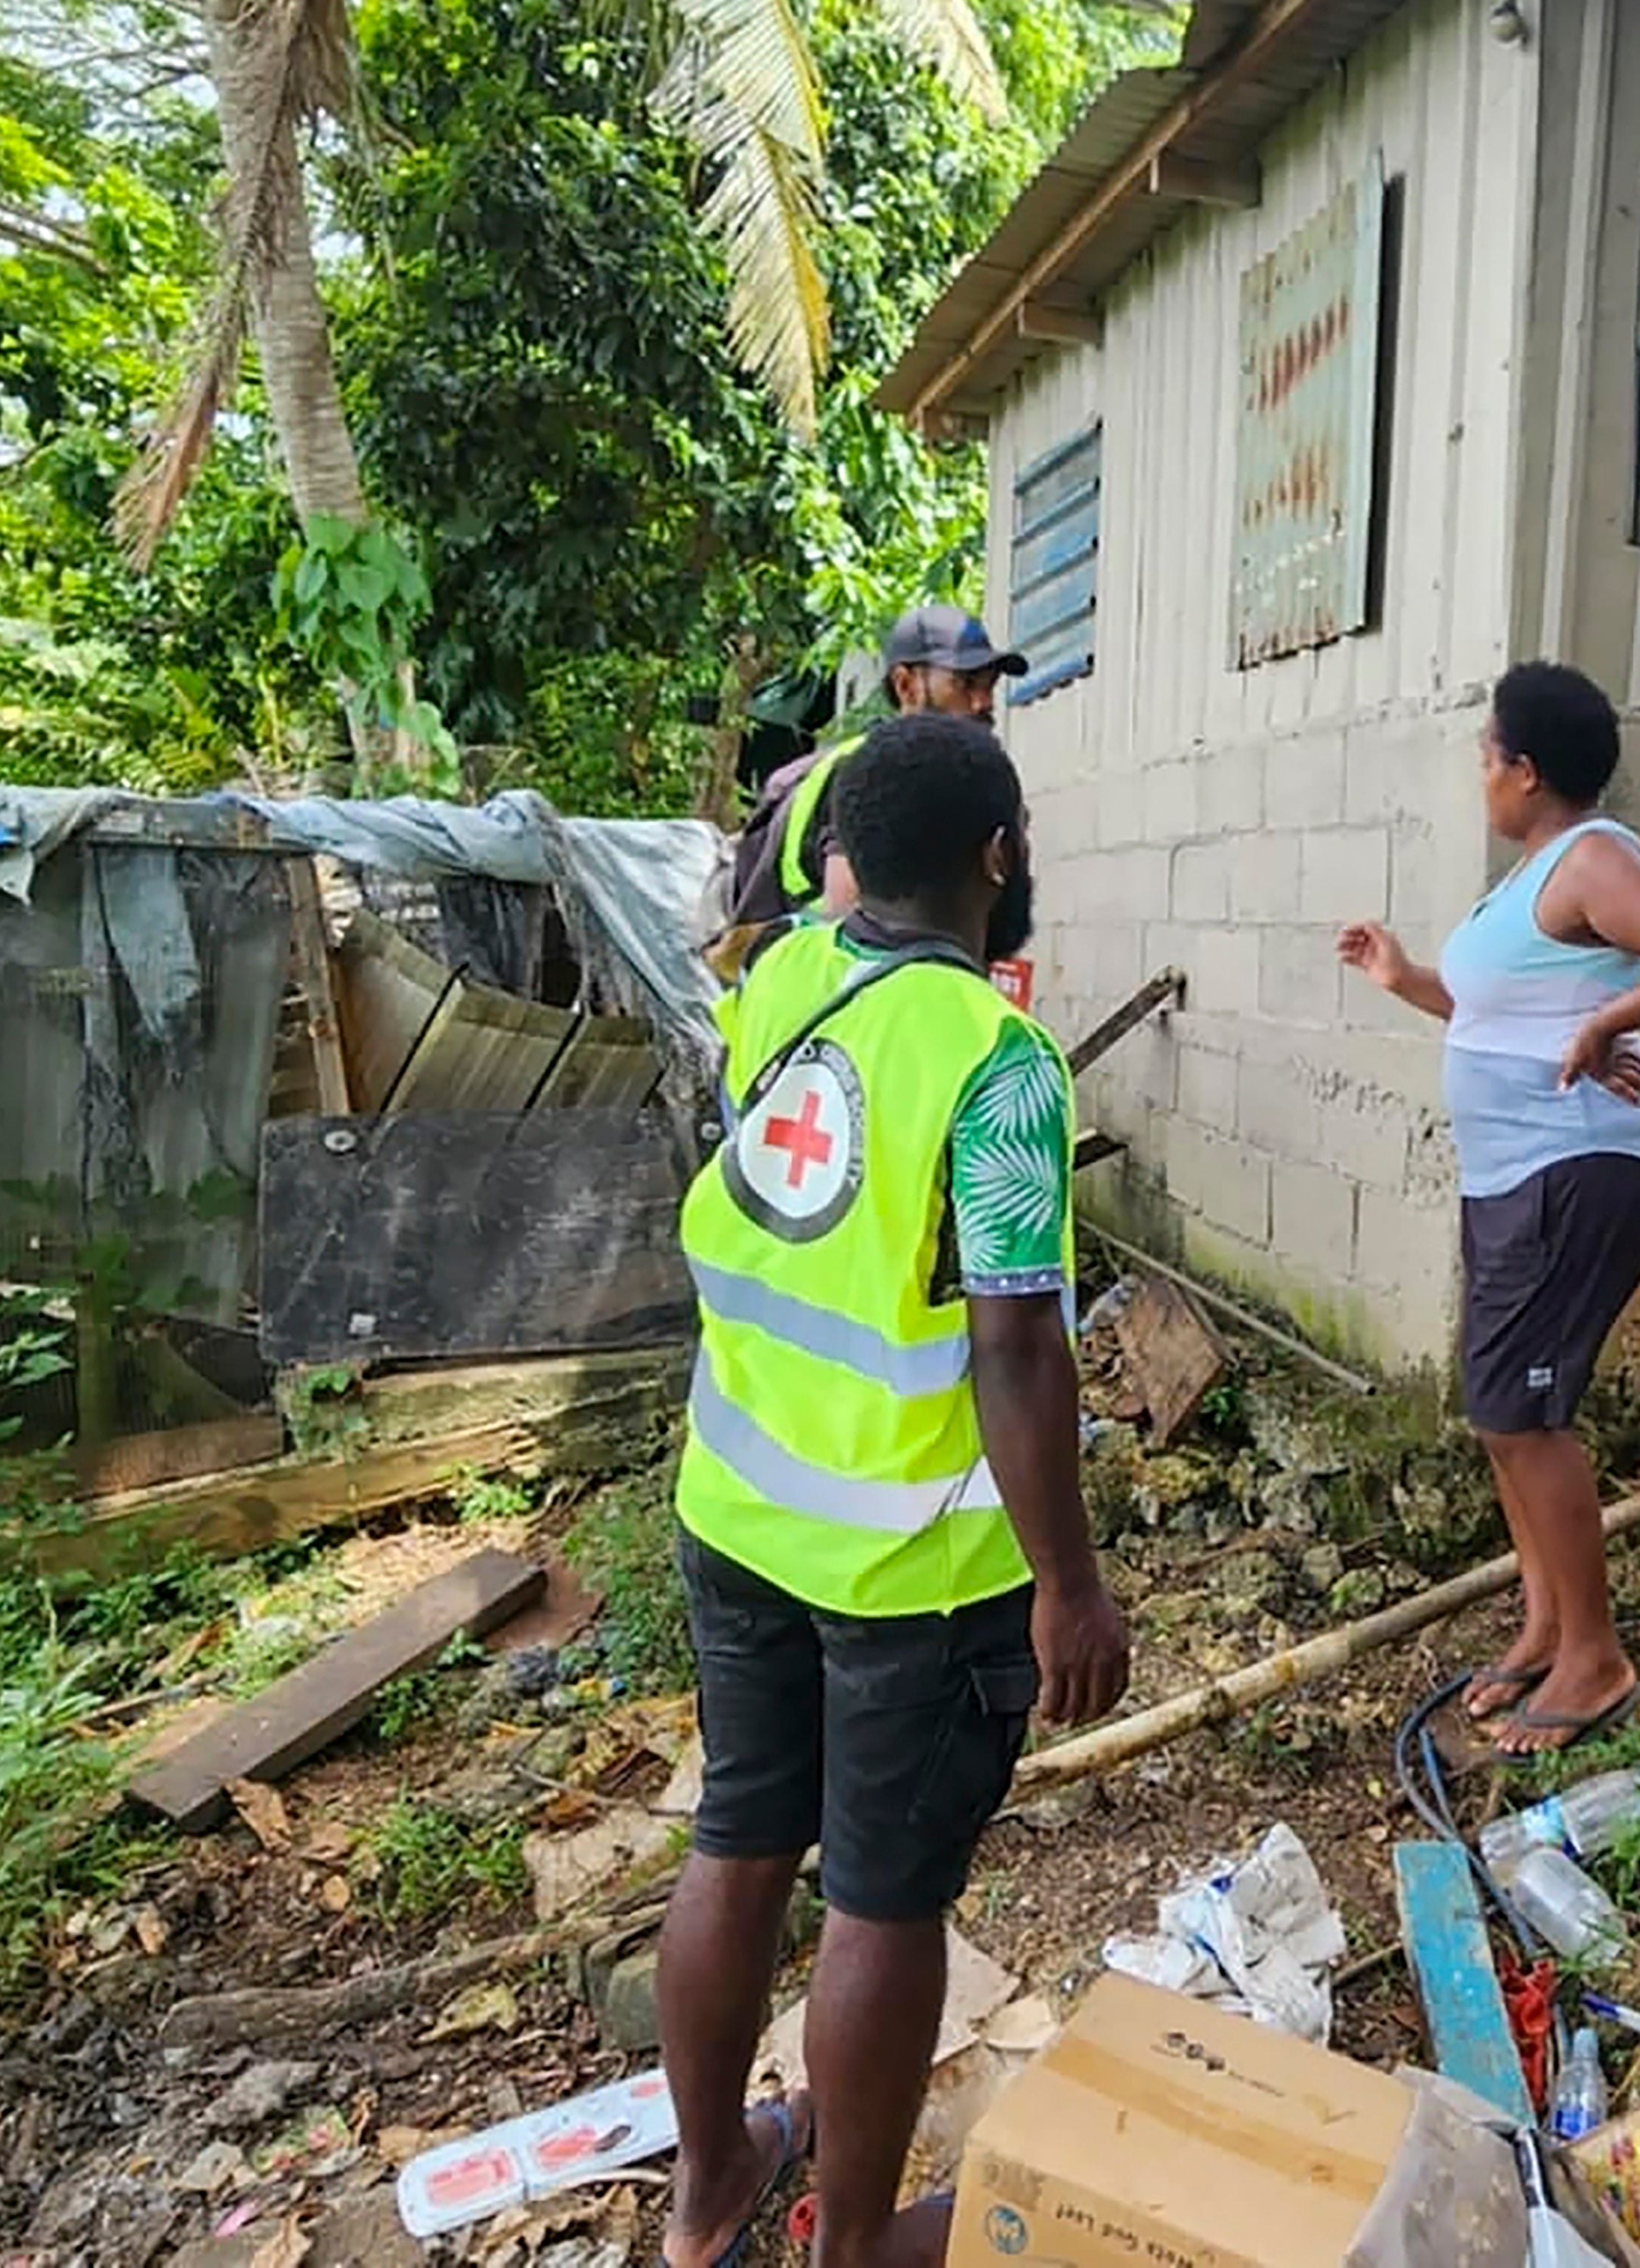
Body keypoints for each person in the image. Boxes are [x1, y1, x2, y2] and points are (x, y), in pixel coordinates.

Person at [657, 712, 1128, 2268]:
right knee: (879, 1899)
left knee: (738, 1836)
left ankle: (709, 2188)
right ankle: (852, 2243)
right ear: (998, 854)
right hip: (909, 1568)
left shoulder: (783, 978)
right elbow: (1015, 1345)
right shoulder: (997, 1061)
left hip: (737, 1507)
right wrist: (1069, 1583)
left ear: (851, 857)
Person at [1338, 663, 1640, 1755]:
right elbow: (1495, 1015)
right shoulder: (1528, 879)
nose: (1479, 772)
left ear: (1525, 770)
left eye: (1487, 755)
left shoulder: (1593, 859)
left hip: (1575, 1169)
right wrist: (1405, 979)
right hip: (1513, 1179)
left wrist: (1609, 1023)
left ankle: (1595, 1657)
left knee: (1524, 1419)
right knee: (1501, 1416)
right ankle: (1547, 1626)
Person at [705, 603, 1026, 962]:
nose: (983, 702)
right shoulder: (872, 775)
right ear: (907, 686)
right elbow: (848, 918)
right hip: (809, 976)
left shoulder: (951, 785)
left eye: (990, 686)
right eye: (965, 684)